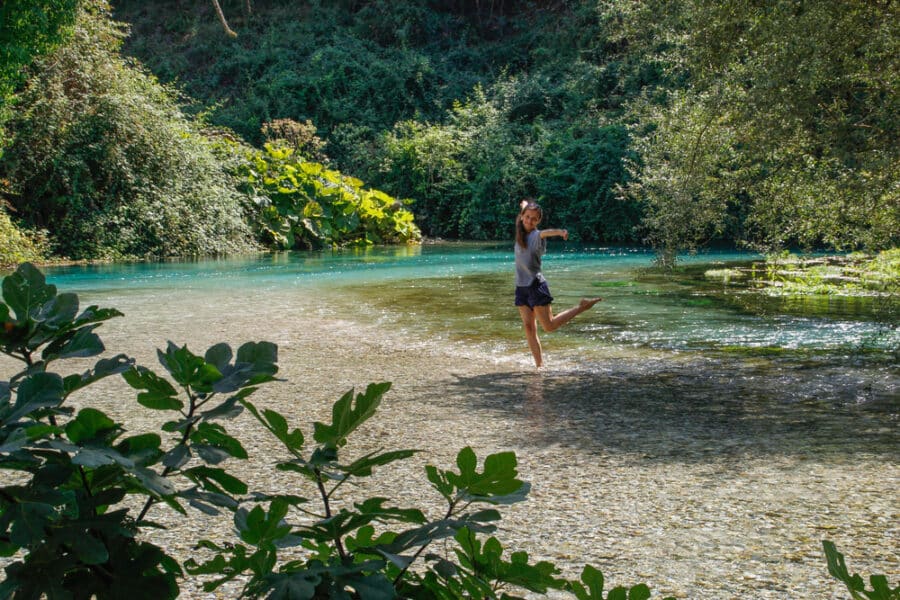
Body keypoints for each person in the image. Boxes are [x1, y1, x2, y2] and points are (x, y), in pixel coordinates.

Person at [514, 199, 602, 367]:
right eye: (527, 217)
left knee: (549, 326)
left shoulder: (535, 235)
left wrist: (561, 232)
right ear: (522, 216)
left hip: (535, 286)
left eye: (534, 219)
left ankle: (581, 307)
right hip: (521, 287)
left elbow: (546, 232)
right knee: (528, 327)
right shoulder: (520, 230)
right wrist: (524, 204)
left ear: (538, 221)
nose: (529, 221)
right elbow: (524, 209)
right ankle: (539, 366)